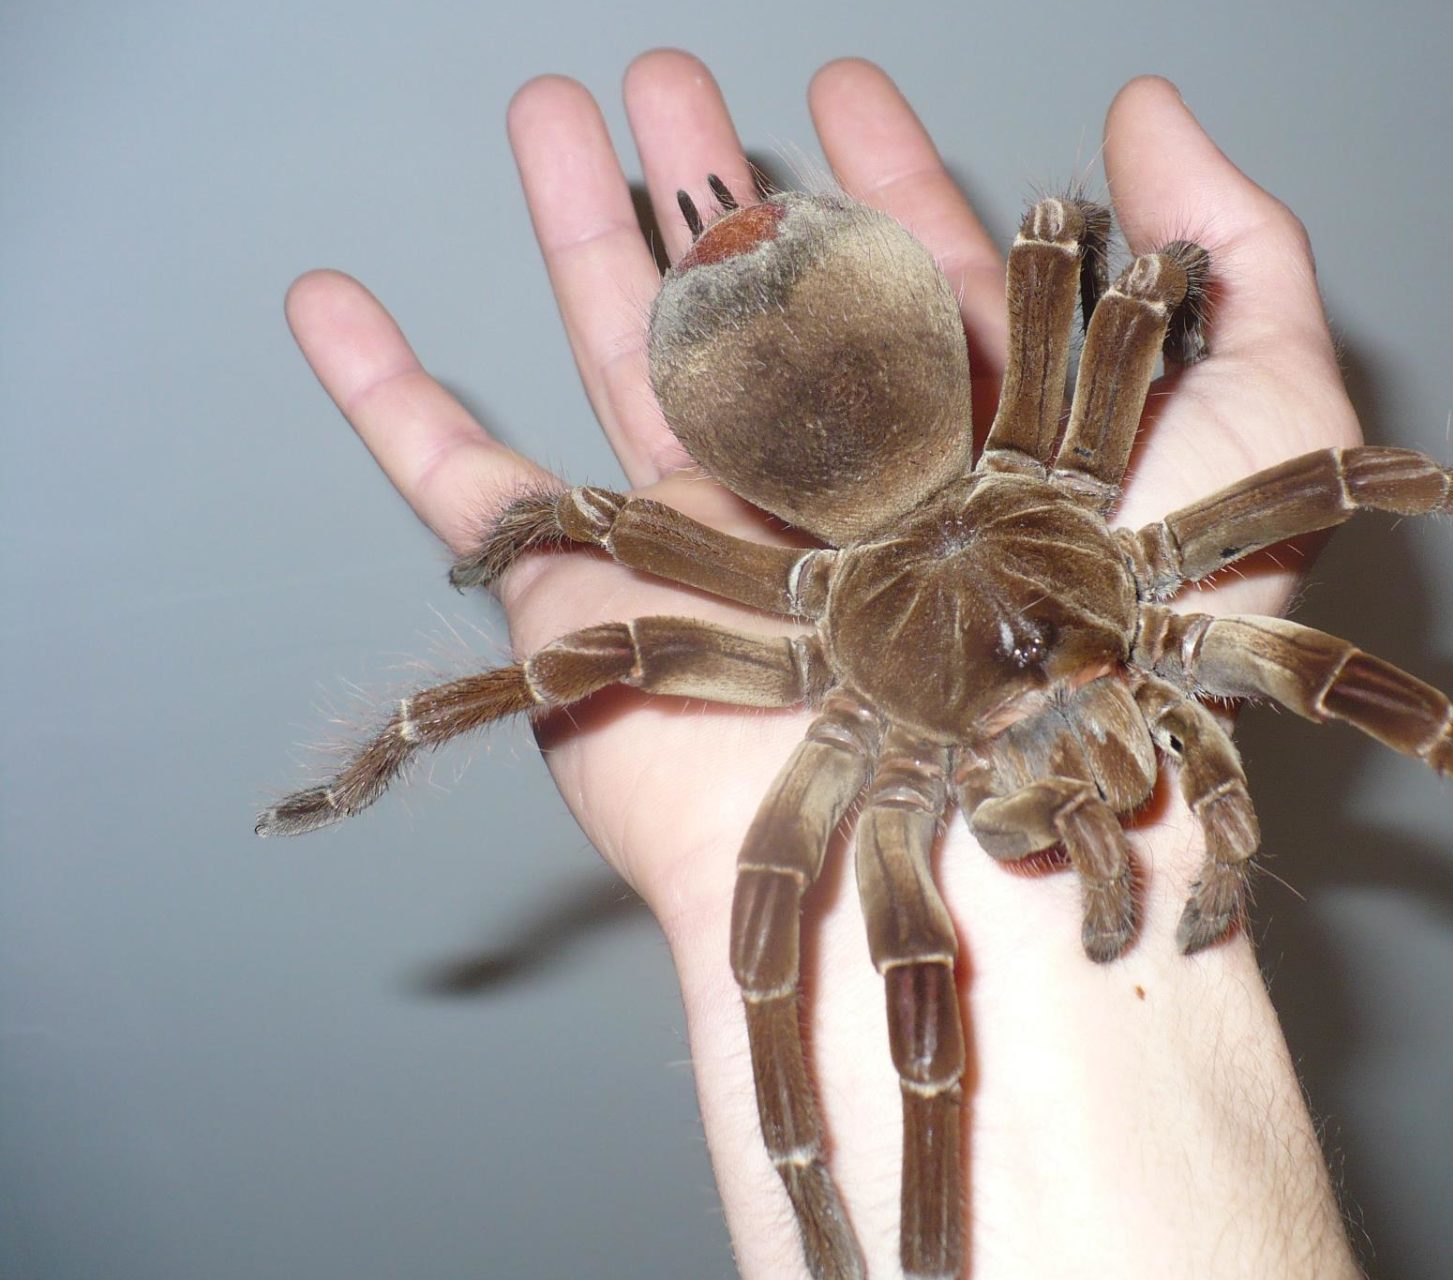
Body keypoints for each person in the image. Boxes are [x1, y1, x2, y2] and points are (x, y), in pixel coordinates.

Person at [286, 49, 1364, 1279]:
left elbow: (1130, 268)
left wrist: (1154, 292)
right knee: (792, 940)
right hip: (856, 403)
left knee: (828, 961)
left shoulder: (903, 717)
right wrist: (1150, 289)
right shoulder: (1057, 511)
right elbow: (1110, 258)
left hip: (844, 403)